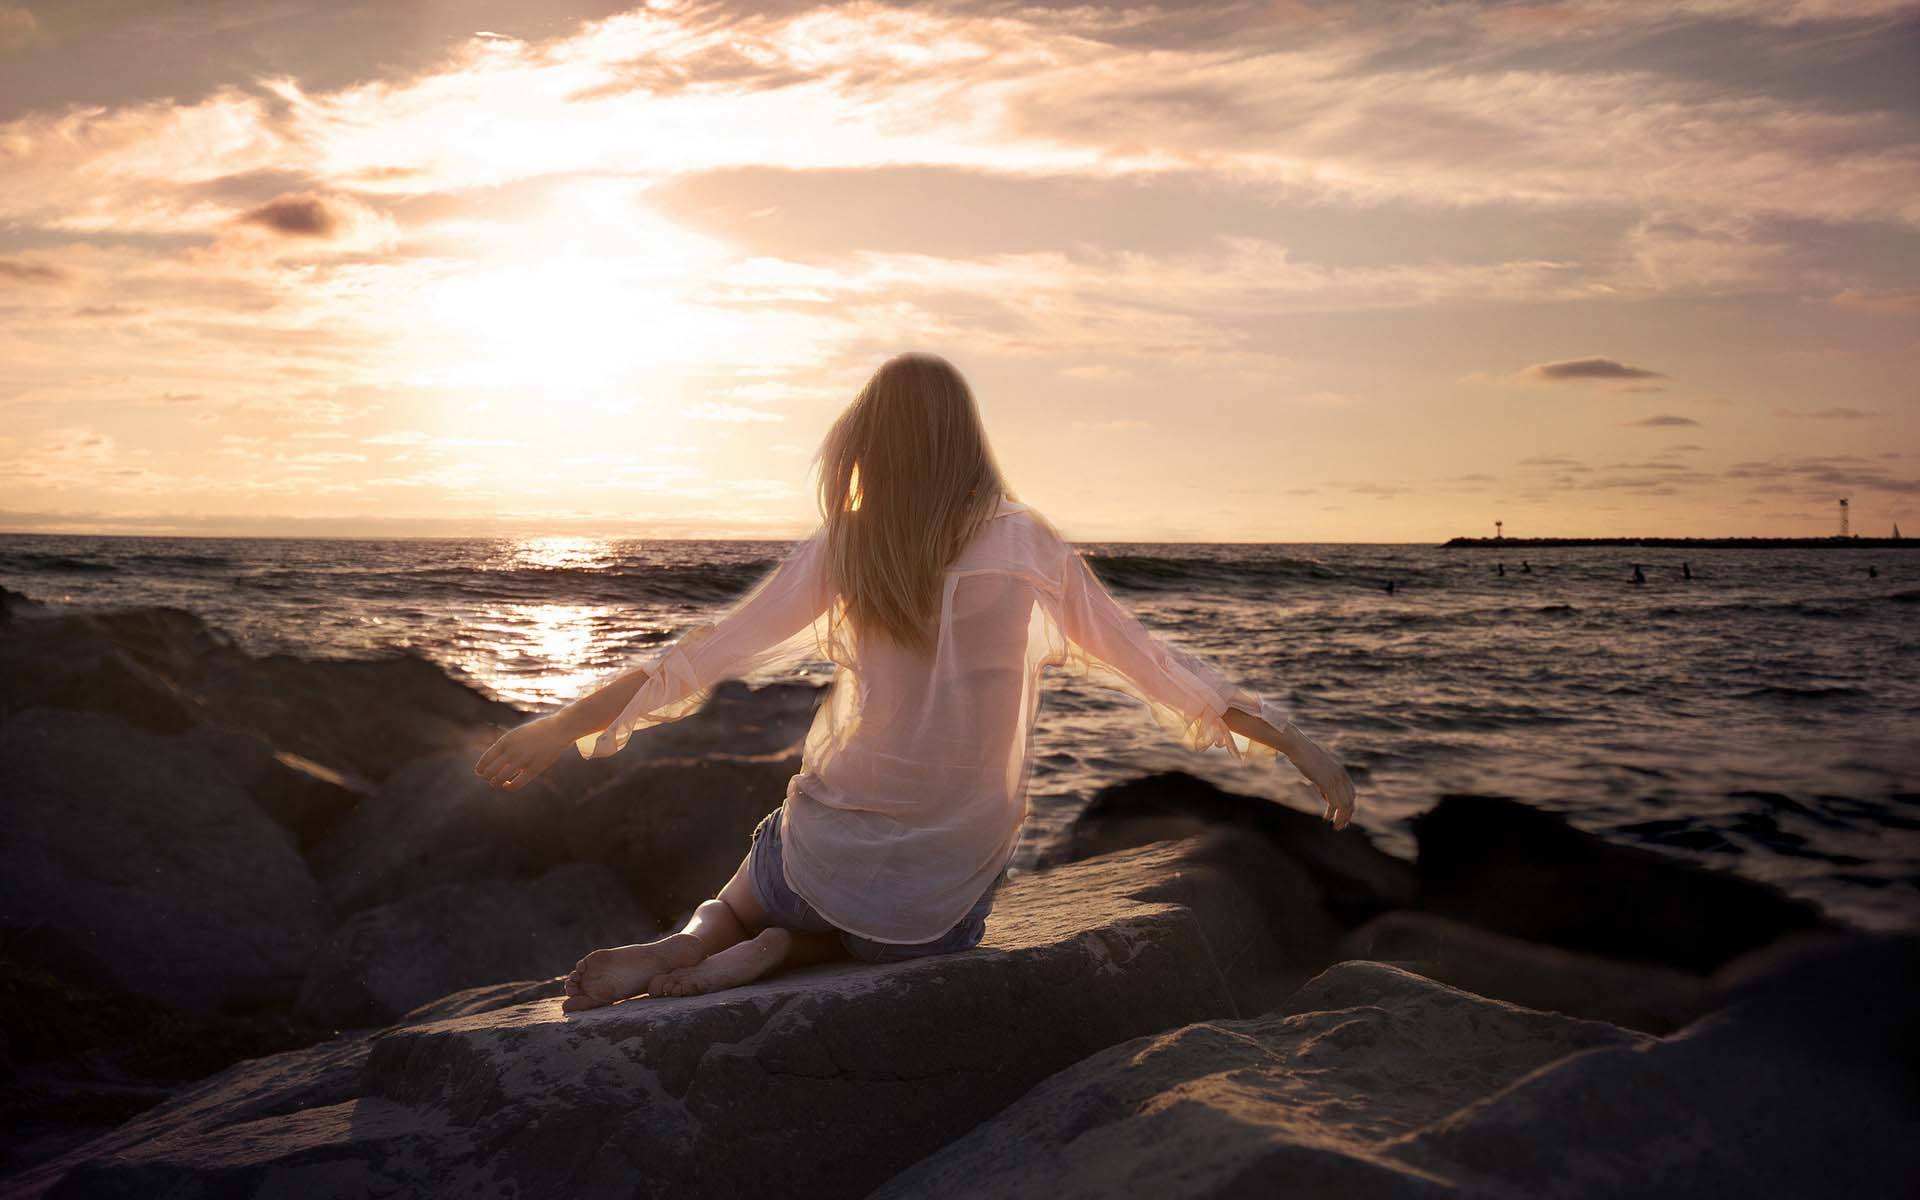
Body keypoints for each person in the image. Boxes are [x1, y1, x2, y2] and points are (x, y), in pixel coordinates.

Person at [473, 352, 1357, 1011]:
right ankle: (796, 953)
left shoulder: (849, 545)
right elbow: (1158, 668)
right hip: (938, 888)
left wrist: (559, 726)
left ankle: (707, 940)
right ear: (965, 441)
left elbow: (703, 655)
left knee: (744, 885)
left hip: (821, 849)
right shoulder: (1027, 545)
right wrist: (1297, 743)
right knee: (897, 922)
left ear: (868, 440)